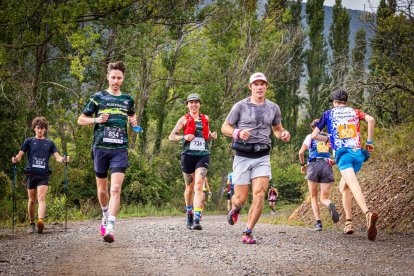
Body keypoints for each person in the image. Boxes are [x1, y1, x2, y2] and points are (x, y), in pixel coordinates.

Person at [221, 72, 290, 244]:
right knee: (240, 199)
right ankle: (236, 208)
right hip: (243, 156)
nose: (259, 87)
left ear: (266, 86)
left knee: (259, 194)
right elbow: (225, 127)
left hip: (262, 156)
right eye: (256, 84)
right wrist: (237, 132)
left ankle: (248, 231)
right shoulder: (240, 106)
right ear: (250, 87)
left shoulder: (273, 108)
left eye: (262, 84)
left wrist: (283, 133)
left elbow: (277, 128)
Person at [77, 61, 138, 243]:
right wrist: (97, 120)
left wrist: (134, 123)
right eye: (113, 77)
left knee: (116, 188)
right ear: (108, 77)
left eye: (119, 78)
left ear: (123, 78)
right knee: (103, 190)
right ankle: (104, 214)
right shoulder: (98, 98)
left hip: (120, 149)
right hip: (100, 148)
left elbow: (132, 114)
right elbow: (80, 119)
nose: (116, 81)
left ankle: (110, 227)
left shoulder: (128, 99)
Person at [311, 89, 378, 241]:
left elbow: (314, 135)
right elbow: (371, 120)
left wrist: (328, 140)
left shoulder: (328, 114)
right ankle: (348, 223)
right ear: (345, 102)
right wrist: (369, 142)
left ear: (334, 102)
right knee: (344, 187)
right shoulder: (354, 112)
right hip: (358, 155)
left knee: (353, 185)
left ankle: (367, 214)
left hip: (343, 155)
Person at [11, 116, 70, 234]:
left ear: (45, 129)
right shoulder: (29, 141)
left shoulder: (50, 143)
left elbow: (58, 157)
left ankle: (40, 221)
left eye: (42, 128)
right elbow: (20, 155)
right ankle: (32, 222)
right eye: (38, 128)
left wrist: (64, 159)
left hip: (43, 175)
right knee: (32, 200)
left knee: (41, 198)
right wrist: (15, 159)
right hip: (31, 174)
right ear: (34, 128)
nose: (40, 130)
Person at [168, 93, 217, 230]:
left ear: (200, 104)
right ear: (187, 105)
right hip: (188, 155)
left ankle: (197, 217)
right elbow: (171, 136)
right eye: (191, 102)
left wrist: (212, 136)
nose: (194, 104)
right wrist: (184, 137)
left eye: (196, 102)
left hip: (203, 155)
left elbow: (205, 135)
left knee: (199, 185)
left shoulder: (205, 118)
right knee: (189, 187)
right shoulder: (183, 119)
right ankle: (189, 212)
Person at [298, 119, 339, 231]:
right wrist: (333, 161)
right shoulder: (329, 137)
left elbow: (301, 152)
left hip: (313, 165)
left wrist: (302, 165)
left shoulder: (310, 136)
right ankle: (329, 204)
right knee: (324, 198)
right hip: (326, 165)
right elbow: (337, 153)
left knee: (314, 197)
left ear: (313, 128)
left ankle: (318, 223)